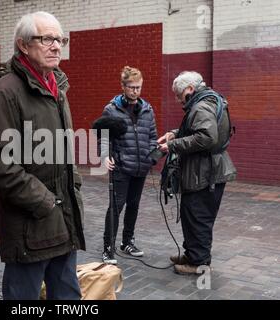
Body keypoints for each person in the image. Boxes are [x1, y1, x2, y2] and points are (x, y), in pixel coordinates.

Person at [0, 11, 85, 300]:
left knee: (68, 296)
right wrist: (45, 202)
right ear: (23, 45)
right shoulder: (6, 92)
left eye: (60, 39)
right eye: (46, 38)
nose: (56, 46)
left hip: (64, 219)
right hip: (30, 226)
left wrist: (72, 186)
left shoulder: (57, 89)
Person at [158, 71, 237, 275]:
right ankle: (192, 254)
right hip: (205, 171)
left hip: (205, 173)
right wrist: (175, 133)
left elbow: (206, 137)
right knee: (191, 214)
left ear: (190, 89)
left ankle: (199, 264)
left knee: (198, 217)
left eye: (178, 94)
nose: (177, 99)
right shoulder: (207, 100)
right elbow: (198, 130)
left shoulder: (201, 106)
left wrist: (173, 145)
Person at [100, 67, 158, 263]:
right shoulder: (111, 109)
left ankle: (127, 242)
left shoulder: (148, 110)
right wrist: (105, 156)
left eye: (139, 87)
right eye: (132, 87)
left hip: (141, 167)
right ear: (123, 86)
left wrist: (152, 157)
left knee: (134, 205)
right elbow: (102, 135)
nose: (135, 91)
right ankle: (108, 247)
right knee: (116, 206)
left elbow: (152, 137)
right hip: (122, 167)